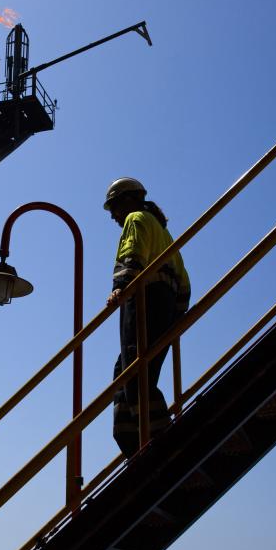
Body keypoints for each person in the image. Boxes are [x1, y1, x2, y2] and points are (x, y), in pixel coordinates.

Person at [104, 177, 191, 458]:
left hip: (144, 300)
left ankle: (159, 446)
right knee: (126, 374)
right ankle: (135, 442)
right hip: (165, 309)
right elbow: (184, 283)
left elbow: (132, 253)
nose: (115, 217)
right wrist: (175, 318)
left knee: (134, 378)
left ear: (127, 200)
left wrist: (120, 287)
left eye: (114, 209)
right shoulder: (164, 233)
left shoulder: (136, 218)